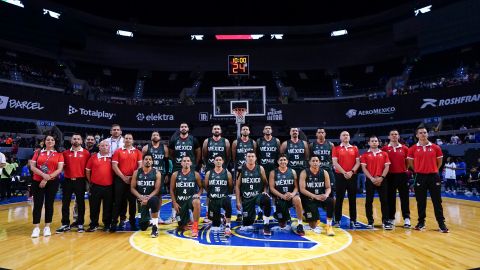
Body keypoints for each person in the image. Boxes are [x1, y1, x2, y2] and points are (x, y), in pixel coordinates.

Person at [407, 126, 449, 233]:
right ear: (417, 135)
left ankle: (441, 223)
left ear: (427, 134)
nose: (423, 134)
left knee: (437, 201)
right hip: (420, 176)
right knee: (420, 201)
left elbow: (439, 162)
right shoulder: (412, 149)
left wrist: (433, 169)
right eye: (420, 133)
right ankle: (421, 223)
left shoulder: (436, 147)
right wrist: (418, 170)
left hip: (433, 176)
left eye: (425, 132)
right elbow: (410, 164)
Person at [30, 134, 64, 238]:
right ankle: (36, 228)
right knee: (37, 204)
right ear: (44, 141)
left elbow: (59, 169)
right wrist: (43, 175)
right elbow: (32, 167)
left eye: (52, 140)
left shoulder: (59, 154)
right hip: (37, 181)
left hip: (52, 182)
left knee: (49, 204)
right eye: (48, 139)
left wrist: (46, 178)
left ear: (55, 142)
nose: (50, 141)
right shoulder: (38, 152)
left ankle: (47, 227)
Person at [56, 134, 91, 234]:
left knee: (80, 203)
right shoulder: (65, 153)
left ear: (81, 141)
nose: (76, 140)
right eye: (74, 138)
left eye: (78, 139)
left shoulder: (86, 153)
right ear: (71, 141)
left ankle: (80, 224)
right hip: (67, 181)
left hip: (80, 181)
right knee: (65, 203)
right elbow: (61, 167)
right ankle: (65, 224)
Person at [111, 133, 142, 232]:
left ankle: (132, 222)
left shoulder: (137, 152)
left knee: (132, 203)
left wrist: (133, 177)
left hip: (133, 180)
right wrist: (123, 177)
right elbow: (114, 166)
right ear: (123, 140)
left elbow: (140, 166)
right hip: (120, 180)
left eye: (130, 138)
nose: (128, 140)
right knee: (118, 202)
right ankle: (115, 222)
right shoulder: (118, 151)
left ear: (132, 141)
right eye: (126, 138)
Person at [235, 151, 272, 235]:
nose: (250, 158)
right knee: (247, 224)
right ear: (246, 158)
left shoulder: (260, 168)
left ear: (255, 158)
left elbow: (266, 183)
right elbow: (237, 186)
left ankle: (266, 224)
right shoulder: (241, 169)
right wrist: (237, 201)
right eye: (248, 156)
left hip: (257, 195)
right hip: (246, 198)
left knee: (266, 200)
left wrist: (265, 192)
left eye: (252, 156)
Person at [360, 135, 392, 230]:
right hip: (370, 180)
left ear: (378, 143)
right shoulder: (365, 155)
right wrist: (371, 178)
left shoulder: (384, 154)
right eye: (372, 141)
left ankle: (385, 221)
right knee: (369, 201)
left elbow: (387, 167)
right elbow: (363, 168)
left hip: (382, 180)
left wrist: (381, 177)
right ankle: (370, 221)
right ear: (369, 143)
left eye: (376, 141)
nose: (374, 142)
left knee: (385, 201)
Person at [269, 154, 305, 236]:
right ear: (278, 162)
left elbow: (296, 187)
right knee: (282, 225)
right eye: (281, 160)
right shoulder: (273, 172)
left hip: (291, 197)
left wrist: (292, 194)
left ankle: (300, 224)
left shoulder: (292, 171)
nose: (283, 161)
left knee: (297, 199)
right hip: (280, 197)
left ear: (287, 161)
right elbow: (272, 188)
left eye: (284, 160)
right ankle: (284, 216)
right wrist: (282, 196)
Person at [299, 155, 335, 236]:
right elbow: (302, 189)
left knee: (331, 201)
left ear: (319, 162)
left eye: (316, 161)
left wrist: (326, 195)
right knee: (313, 226)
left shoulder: (324, 172)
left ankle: (329, 225)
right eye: (313, 161)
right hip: (309, 198)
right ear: (309, 162)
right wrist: (315, 196)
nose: (315, 162)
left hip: (321, 197)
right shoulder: (304, 172)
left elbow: (328, 187)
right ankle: (308, 216)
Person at [382, 129, 411, 228]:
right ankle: (391, 218)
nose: (394, 136)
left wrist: (405, 170)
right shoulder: (384, 149)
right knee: (391, 198)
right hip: (390, 176)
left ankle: (407, 219)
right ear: (389, 137)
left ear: (398, 136)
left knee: (405, 197)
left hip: (402, 175)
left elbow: (408, 163)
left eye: (396, 134)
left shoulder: (405, 148)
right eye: (392, 134)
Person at [202, 125, 230, 224]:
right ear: (212, 130)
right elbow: (204, 155)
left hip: (222, 168)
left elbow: (228, 156)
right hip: (210, 168)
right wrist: (208, 165)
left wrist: (223, 167)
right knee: (209, 192)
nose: (216, 130)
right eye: (215, 129)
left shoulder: (225, 141)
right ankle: (207, 213)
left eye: (218, 128)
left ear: (221, 130)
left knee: (223, 191)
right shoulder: (207, 141)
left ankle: (222, 212)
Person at [332, 131, 360, 228]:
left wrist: (351, 172)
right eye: (343, 135)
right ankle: (337, 220)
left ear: (349, 137)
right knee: (339, 199)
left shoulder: (355, 148)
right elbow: (335, 163)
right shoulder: (336, 148)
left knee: (353, 199)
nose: (346, 136)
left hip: (352, 176)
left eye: (347, 135)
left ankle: (353, 220)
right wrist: (344, 172)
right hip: (340, 176)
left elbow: (358, 163)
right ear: (340, 137)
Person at [170, 156, 203, 237]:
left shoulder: (195, 174)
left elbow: (201, 187)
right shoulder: (175, 174)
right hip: (180, 202)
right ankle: (187, 219)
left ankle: (195, 227)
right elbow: (171, 190)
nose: (186, 162)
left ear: (191, 163)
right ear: (181, 163)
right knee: (181, 227)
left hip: (190, 200)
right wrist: (174, 203)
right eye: (184, 161)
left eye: (188, 161)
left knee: (197, 201)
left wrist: (198, 194)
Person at [130, 154, 162, 238]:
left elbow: (157, 189)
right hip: (141, 200)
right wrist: (140, 197)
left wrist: (148, 198)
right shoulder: (137, 172)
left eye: (150, 159)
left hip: (151, 198)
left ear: (152, 161)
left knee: (155, 200)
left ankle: (155, 228)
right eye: (146, 159)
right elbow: (132, 188)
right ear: (143, 161)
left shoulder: (157, 173)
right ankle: (147, 220)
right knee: (143, 227)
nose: (148, 161)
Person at [85, 140, 114, 232]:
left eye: (106, 145)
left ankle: (107, 224)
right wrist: (91, 181)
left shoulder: (112, 158)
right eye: (102, 145)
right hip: (96, 187)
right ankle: (93, 224)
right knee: (94, 206)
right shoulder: (93, 157)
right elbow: (88, 170)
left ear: (109, 147)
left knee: (108, 207)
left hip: (109, 187)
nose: (104, 147)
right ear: (99, 147)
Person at [142, 131, 169, 224]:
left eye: (157, 135)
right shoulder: (146, 148)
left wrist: (166, 174)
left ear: (159, 137)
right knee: (148, 194)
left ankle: (158, 216)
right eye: (153, 135)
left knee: (159, 195)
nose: (155, 136)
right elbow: (142, 162)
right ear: (151, 137)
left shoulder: (164, 148)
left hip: (160, 174)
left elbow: (166, 162)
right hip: (149, 174)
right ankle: (148, 216)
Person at [232, 124, 257, 221]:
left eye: (247, 129)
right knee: (238, 190)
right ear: (241, 131)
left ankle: (255, 211)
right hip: (239, 169)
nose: (245, 131)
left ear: (249, 131)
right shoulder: (235, 142)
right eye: (243, 129)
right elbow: (234, 157)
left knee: (251, 190)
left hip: (250, 169)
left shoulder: (253, 142)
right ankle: (239, 213)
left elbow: (254, 155)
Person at [204, 156, 233, 236]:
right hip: (213, 199)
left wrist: (223, 193)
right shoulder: (209, 173)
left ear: (223, 162)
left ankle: (227, 226)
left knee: (228, 201)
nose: (218, 161)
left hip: (223, 198)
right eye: (216, 160)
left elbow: (230, 186)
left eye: (220, 160)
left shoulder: (227, 173)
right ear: (213, 162)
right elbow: (206, 186)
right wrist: (212, 194)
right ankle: (221, 216)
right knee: (215, 224)